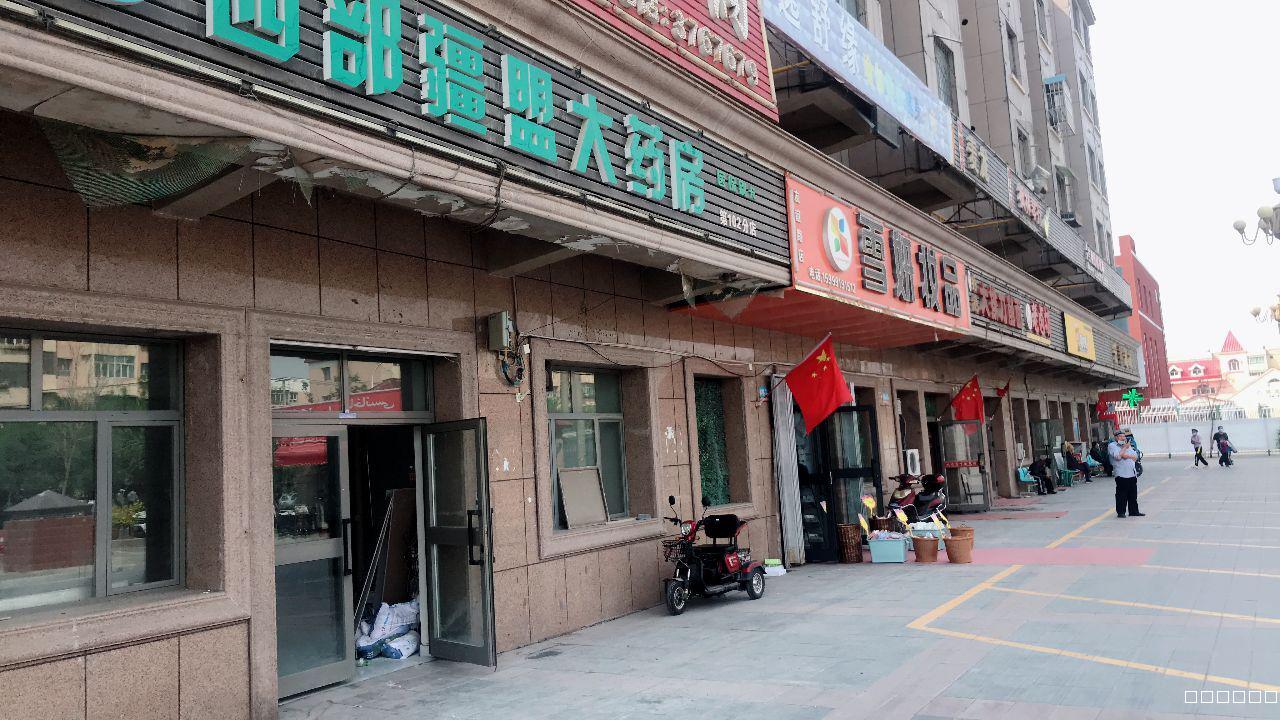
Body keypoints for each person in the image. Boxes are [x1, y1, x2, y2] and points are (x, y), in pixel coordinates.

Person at [1109, 429, 1143, 518]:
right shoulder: (1112, 446)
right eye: (1120, 436)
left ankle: (1134, 511)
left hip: (1132, 473)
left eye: (1123, 436)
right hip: (1121, 474)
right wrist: (1124, 448)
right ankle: (1121, 512)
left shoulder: (1128, 445)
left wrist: (1126, 455)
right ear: (1116, 437)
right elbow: (1118, 457)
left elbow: (1135, 457)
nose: (1122, 438)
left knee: (1133, 494)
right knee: (1121, 494)